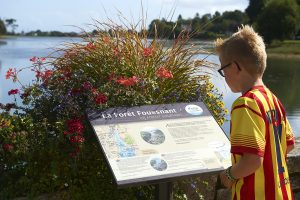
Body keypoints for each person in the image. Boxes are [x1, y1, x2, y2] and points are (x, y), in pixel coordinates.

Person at [215, 25, 295, 200]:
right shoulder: (273, 100)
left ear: (235, 67)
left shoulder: (245, 104)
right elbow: (289, 144)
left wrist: (227, 176)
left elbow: (252, 160)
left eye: (223, 69)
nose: (224, 75)